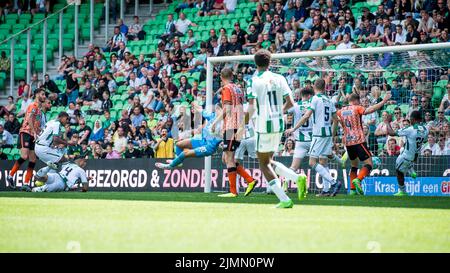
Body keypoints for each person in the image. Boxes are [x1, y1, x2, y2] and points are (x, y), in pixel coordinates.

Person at [246, 49, 306, 208]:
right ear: (269, 62)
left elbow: (251, 107)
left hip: (263, 126)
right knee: (269, 160)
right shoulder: (280, 78)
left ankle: (286, 198)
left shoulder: (253, 80)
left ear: (255, 63)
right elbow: (291, 103)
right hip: (278, 124)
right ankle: (296, 179)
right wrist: (277, 112)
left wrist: (242, 123)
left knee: (263, 164)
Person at [291, 78, 342, 197]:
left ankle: (334, 183)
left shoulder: (315, 99)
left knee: (312, 162)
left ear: (314, 86)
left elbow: (306, 116)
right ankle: (326, 190)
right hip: (328, 134)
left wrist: (294, 128)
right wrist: (333, 135)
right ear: (324, 87)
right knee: (323, 162)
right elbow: (336, 119)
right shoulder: (329, 100)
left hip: (318, 134)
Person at [210, 67, 255, 198]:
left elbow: (227, 109)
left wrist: (214, 122)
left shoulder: (226, 89)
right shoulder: (239, 88)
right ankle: (249, 180)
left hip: (231, 127)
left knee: (229, 158)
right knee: (226, 158)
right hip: (239, 126)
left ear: (221, 77)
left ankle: (233, 191)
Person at [335, 92, 391, 195]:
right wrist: (383, 101)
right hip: (359, 140)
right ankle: (358, 180)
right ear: (356, 101)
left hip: (348, 142)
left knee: (354, 165)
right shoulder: (357, 108)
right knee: (369, 164)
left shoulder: (340, 111)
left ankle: (352, 190)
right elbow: (370, 110)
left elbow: (334, 119)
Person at [155, 102, 222, 170]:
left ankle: (170, 166)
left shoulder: (223, 124)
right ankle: (178, 161)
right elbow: (200, 109)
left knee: (185, 153)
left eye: (218, 109)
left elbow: (223, 136)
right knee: (179, 144)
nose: (216, 111)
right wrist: (194, 103)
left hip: (208, 147)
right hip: (201, 141)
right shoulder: (212, 116)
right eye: (216, 109)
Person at [6, 89, 46, 190]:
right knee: (24, 156)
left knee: (33, 159)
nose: (44, 96)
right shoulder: (33, 106)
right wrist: (34, 132)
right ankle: (10, 176)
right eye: (42, 94)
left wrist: (42, 131)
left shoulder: (39, 110)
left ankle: (26, 183)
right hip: (26, 132)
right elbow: (29, 119)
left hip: (33, 134)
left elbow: (36, 124)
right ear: (37, 95)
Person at [386, 111, 428, 196]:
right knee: (402, 148)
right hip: (415, 155)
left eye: (410, 119)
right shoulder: (426, 129)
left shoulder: (410, 129)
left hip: (406, 156)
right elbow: (425, 140)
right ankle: (411, 169)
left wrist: (387, 122)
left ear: (413, 119)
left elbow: (391, 133)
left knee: (398, 171)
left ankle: (402, 191)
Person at [283, 88, 314, 192]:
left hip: (300, 141)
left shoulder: (295, 106)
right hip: (314, 139)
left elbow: (284, 111)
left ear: (301, 95)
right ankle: (328, 187)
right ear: (310, 95)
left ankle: (285, 183)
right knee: (322, 163)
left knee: (293, 167)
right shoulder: (314, 104)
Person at [33, 112, 74, 185]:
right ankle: (69, 183)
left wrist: (53, 144)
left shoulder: (51, 121)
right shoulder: (57, 124)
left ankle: (38, 177)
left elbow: (49, 136)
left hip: (40, 146)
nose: (67, 121)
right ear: (61, 117)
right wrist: (68, 142)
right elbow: (55, 139)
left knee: (54, 165)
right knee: (64, 160)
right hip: (43, 148)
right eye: (67, 118)